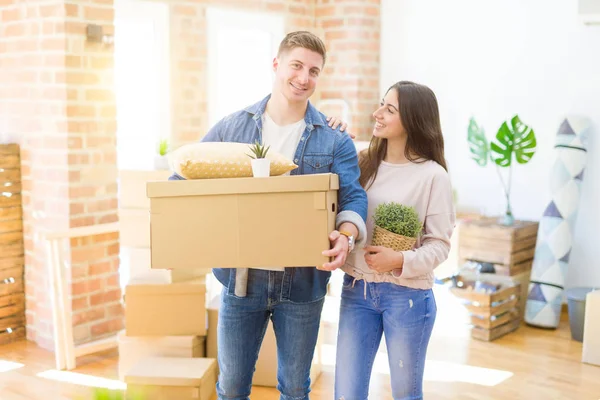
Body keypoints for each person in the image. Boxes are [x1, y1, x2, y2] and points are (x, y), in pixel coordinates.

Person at [170, 31, 367, 400]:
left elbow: (353, 195)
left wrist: (347, 234)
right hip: (241, 280)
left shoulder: (334, 139)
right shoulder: (234, 127)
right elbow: (183, 177)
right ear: (276, 65)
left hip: (304, 283)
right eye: (296, 65)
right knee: (231, 389)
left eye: (314, 70)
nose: (304, 78)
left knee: (295, 389)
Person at [334, 81, 455, 400]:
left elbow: (440, 245)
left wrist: (400, 261)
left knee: (405, 394)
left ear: (414, 119)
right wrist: (334, 139)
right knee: (346, 393)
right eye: (380, 104)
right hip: (356, 290)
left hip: (408, 298)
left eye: (390, 108)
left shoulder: (433, 176)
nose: (378, 113)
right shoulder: (362, 163)